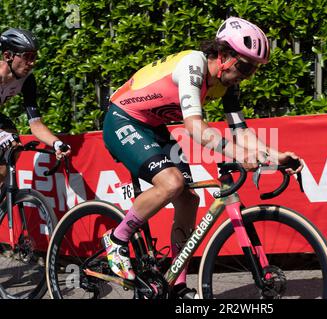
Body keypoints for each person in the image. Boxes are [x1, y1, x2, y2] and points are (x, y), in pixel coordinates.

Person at [101, 17, 303, 298]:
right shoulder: (193, 66)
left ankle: (176, 284)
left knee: (189, 199)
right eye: (245, 66)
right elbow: (195, 128)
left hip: (153, 127)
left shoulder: (227, 83)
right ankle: (116, 239)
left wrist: (277, 157)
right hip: (123, 119)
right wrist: (240, 155)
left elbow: (242, 133)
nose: (247, 75)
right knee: (171, 183)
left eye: (254, 70)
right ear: (222, 56)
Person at [0, 28, 71, 183]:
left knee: (14, 148)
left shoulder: (27, 81)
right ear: (8, 56)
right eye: (27, 57)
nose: (32, 63)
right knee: (8, 139)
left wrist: (56, 143)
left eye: (34, 57)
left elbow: (36, 124)